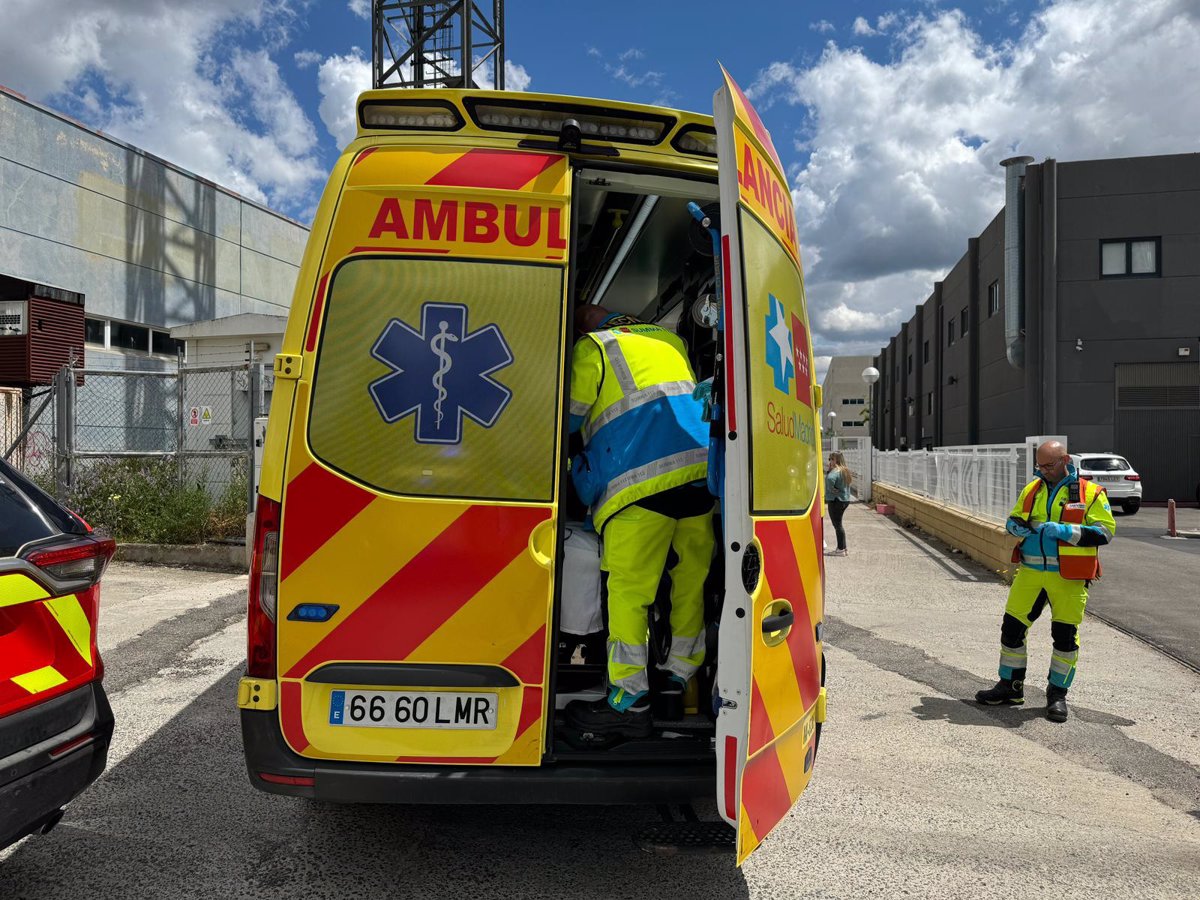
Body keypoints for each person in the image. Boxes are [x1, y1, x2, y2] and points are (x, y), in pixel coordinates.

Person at [564, 303, 713, 740]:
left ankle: (629, 699)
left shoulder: (593, 347)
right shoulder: (671, 342)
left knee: (629, 591)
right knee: (689, 583)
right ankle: (678, 680)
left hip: (639, 483)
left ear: (587, 326)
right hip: (700, 479)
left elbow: (567, 420)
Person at [975, 440, 1116, 722]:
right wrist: (1013, 525)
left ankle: (1057, 695)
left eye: (1049, 465)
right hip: (1031, 573)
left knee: (1064, 638)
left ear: (1065, 460)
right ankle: (1010, 687)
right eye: (1039, 465)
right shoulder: (1033, 488)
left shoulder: (1090, 493)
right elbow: (1016, 517)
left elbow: (1105, 532)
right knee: (1012, 629)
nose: (1044, 471)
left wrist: (1064, 530)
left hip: (1069, 577)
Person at [825, 451, 852, 556]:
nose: (830, 461)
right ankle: (843, 548)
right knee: (839, 525)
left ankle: (840, 549)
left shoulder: (835, 471)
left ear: (837, 460)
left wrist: (832, 489)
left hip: (836, 500)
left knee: (837, 525)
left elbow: (830, 480)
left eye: (832, 459)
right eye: (829, 459)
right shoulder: (844, 470)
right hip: (844, 499)